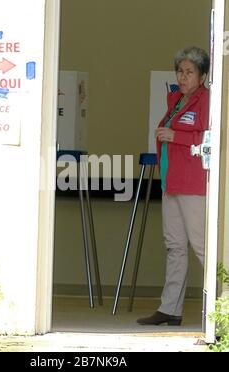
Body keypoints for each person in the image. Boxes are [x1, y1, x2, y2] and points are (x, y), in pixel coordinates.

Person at [137, 46, 210, 326]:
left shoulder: (206, 100)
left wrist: (175, 136)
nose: (183, 76)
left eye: (189, 72)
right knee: (175, 246)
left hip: (193, 185)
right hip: (172, 182)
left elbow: (208, 137)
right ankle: (170, 308)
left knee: (202, 245)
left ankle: (224, 305)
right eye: (180, 71)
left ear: (202, 76)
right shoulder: (176, 100)